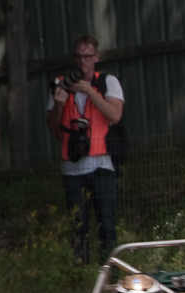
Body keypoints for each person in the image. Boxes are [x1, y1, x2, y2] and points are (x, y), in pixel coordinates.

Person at [46, 34, 124, 265]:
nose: (83, 61)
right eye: (79, 57)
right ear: (74, 58)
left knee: (107, 225)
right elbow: (52, 127)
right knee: (78, 227)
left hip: (102, 166)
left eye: (88, 56)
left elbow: (115, 115)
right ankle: (81, 272)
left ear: (96, 57)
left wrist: (89, 91)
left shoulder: (108, 83)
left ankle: (110, 273)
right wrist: (58, 105)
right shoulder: (60, 85)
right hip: (73, 169)